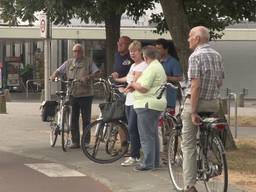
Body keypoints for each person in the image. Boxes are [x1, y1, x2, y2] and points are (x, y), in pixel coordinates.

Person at [182, 26, 224, 192]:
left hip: (197, 103)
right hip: (213, 102)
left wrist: (193, 111)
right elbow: (220, 81)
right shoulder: (217, 55)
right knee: (208, 133)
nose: (188, 39)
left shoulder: (195, 56)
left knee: (189, 144)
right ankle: (213, 160)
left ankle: (189, 186)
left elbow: (195, 86)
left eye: (190, 36)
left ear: (197, 39)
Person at [50, 43, 100, 149]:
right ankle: (75, 141)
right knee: (73, 118)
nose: (76, 53)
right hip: (73, 93)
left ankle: (86, 142)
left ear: (82, 52)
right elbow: (59, 70)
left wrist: (87, 77)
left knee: (86, 118)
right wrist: (54, 75)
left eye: (78, 51)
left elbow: (97, 73)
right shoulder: (68, 63)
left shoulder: (88, 62)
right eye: (75, 51)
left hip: (86, 94)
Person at [126, 46, 167, 171]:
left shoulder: (152, 68)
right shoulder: (157, 66)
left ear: (145, 56)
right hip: (154, 103)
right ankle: (155, 162)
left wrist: (133, 83)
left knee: (146, 136)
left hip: (147, 104)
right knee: (152, 134)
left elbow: (144, 87)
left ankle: (148, 163)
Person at [113, 40, 148, 166]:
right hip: (129, 100)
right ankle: (137, 153)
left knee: (133, 128)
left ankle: (135, 155)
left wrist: (125, 89)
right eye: (130, 51)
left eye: (135, 51)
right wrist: (116, 80)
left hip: (137, 100)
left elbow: (134, 82)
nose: (132, 54)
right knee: (131, 128)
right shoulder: (133, 66)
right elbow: (128, 79)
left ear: (140, 52)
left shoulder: (143, 66)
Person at [155, 38, 183, 162]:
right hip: (156, 98)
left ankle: (170, 152)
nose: (157, 50)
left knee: (168, 127)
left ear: (166, 49)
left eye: (159, 48)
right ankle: (160, 152)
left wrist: (167, 77)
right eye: (156, 48)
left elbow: (179, 78)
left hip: (169, 99)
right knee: (158, 127)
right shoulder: (155, 62)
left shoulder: (173, 62)